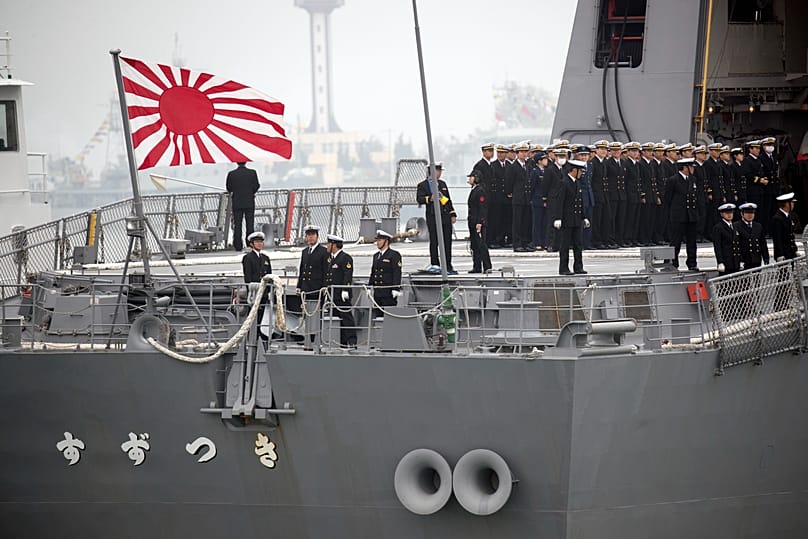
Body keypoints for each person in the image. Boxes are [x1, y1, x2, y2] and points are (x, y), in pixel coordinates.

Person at [415, 162, 457, 273]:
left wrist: (452, 213)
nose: (439, 173)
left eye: (440, 171)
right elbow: (419, 199)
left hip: (445, 216)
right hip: (433, 216)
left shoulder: (442, 184)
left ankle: (448, 264)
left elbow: (448, 200)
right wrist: (430, 198)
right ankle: (435, 264)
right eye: (437, 171)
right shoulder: (423, 185)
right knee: (434, 241)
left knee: (447, 241)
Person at [552, 159, 589, 275]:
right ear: (573, 170)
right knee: (565, 245)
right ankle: (563, 268)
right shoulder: (564, 183)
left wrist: (584, 217)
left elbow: (580, 201)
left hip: (576, 219)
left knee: (578, 244)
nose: (582, 173)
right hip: (567, 220)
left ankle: (578, 267)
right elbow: (559, 202)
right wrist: (558, 218)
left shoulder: (577, 183)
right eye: (580, 171)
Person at [665, 157, 700, 271]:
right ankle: (672, 263)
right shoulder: (673, 180)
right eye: (690, 167)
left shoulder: (693, 179)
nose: (693, 169)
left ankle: (692, 263)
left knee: (692, 242)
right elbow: (668, 198)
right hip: (679, 216)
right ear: (685, 167)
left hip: (691, 215)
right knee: (676, 241)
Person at [324, 234, 357, 348]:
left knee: (346, 317)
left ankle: (352, 340)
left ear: (334, 245)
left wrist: (345, 290)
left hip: (341, 295)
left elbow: (348, 274)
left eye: (329, 243)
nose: (327, 245)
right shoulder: (331, 259)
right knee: (337, 318)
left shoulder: (345, 258)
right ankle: (342, 341)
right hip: (332, 295)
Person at [242, 231, 273, 342]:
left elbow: (269, 275)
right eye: (257, 242)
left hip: (263, 293)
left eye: (261, 242)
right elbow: (248, 277)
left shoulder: (265, 258)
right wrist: (251, 291)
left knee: (262, 316)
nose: (259, 244)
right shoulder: (248, 258)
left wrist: (268, 290)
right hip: (254, 293)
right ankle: (252, 337)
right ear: (252, 244)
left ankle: (260, 335)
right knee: (253, 317)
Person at [226, 162, 260, 251]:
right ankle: (250, 244)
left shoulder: (232, 174)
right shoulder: (252, 173)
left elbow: (229, 188)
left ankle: (238, 245)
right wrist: (250, 192)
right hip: (249, 202)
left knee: (237, 225)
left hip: (237, 202)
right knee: (250, 225)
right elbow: (256, 186)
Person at [368, 230, 402, 314]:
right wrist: (369, 286)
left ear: (386, 241)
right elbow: (373, 272)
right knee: (378, 313)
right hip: (378, 292)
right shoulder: (376, 256)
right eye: (377, 240)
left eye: (380, 240)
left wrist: (395, 288)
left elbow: (397, 272)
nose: (377, 243)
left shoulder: (394, 255)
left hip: (388, 292)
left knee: (389, 314)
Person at [509, 142, 534, 252]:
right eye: (522, 152)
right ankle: (517, 243)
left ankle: (525, 242)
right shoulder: (513, 167)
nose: (524, 154)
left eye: (525, 152)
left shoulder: (527, 165)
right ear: (517, 153)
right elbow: (509, 183)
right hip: (518, 198)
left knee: (526, 222)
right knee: (517, 222)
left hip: (527, 198)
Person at [466, 170, 492, 274]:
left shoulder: (480, 190)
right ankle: (476, 266)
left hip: (478, 223)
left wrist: (480, 222)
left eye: (471, 177)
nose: (469, 179)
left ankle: (487, 266)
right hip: (473, 222)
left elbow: (482, 208)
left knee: (481, 244)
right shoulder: (474, 189)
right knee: (474, 246)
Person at [297, 224, 329, 298]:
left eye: (313, 234)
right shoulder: (304, 252)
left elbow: (326, 271)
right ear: (306, 237)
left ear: (317, 236)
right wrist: (299, 286)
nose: (310, 237)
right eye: (308, 235)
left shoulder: (324, 251)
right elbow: (302, 270)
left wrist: (325, 286)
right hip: (305, 289)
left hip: (317, 289)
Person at [734, 203, 769, 269]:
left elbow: (762, 243)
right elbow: (736, 245)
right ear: (742, 214)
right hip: (744, 260)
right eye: (747, 213)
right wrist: (739, 260)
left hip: (756, 259)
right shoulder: (736, 226)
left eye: (752, 213)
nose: (750, 215)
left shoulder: (758, 226)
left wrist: (766, 257)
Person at [711, 203, 741, 275]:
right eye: (726, 213)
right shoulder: (718, 228)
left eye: (731, 212)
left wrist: (741, 260)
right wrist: (720, 262)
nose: (729, 215)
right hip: (726, 262)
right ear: (721, 214)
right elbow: (717, 246)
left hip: (736, 262)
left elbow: (739, 244)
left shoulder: (735, 226)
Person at [771, 192, 798, 261]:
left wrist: (795, 249)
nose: (793, 205)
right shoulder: (777, 218)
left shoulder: (788, 216)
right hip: (783, 254)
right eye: (791, 202)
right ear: (786, 204)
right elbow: (777, 238)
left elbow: (791, 236)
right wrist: (780, 254)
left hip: (790, 252)